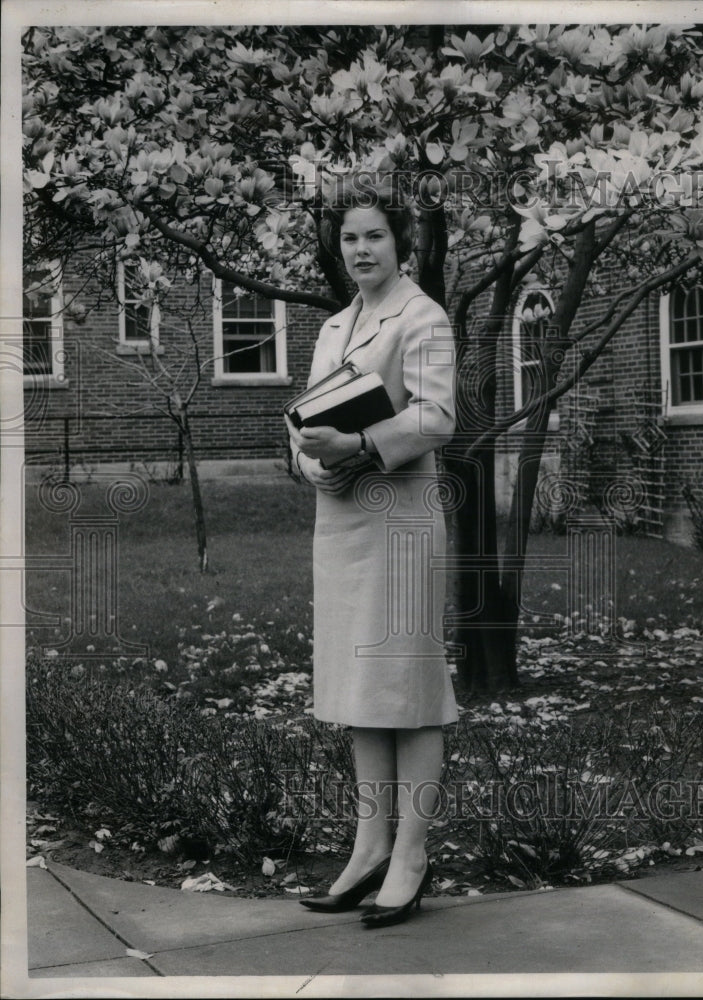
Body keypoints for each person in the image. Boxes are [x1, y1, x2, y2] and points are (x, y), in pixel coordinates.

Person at [285, 177, 458, 929]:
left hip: (401, 519)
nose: (361, 249)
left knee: (409, 690)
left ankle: (411, 857)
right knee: (362, 689)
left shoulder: (423, 318)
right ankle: (368, 850)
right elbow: (305, 421)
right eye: (350, 237)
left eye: (375, 236)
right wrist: (314, 459)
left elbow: (438, 417)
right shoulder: (332, 329)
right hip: (343, 520)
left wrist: (361, 444)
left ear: (402, 242)